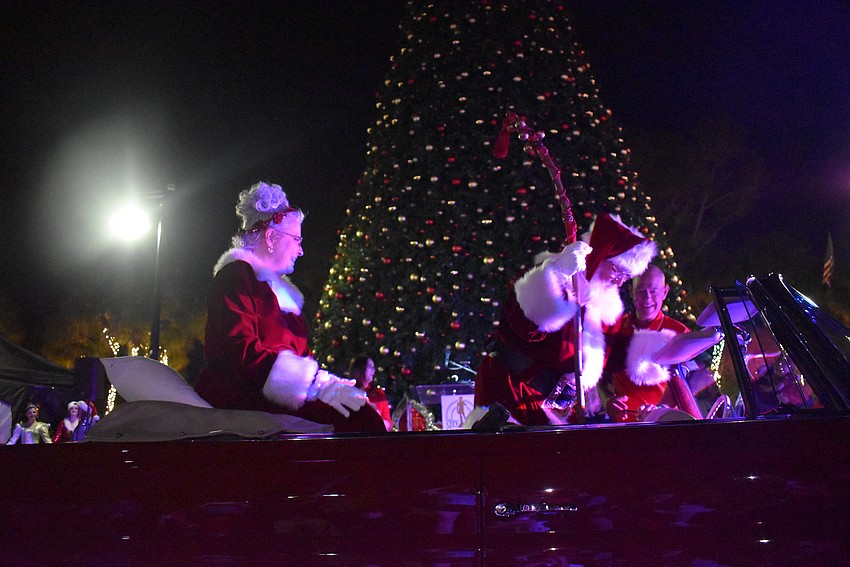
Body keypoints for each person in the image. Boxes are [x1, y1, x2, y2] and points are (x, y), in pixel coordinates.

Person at [194, 181, 385, 433]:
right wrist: (313, 386)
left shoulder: (285, 297)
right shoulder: (237, 276)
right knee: (358, 422)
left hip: (272, 398)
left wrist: (329, 385)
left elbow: (303, 357)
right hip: (241, 396)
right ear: (271, 237)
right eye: (296, 238)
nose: (301, 249)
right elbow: (237, 351)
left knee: (362, 412)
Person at [474, 212, 657, 425]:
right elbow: (524, 324)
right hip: (512, 394)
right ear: (598, 255)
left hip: (555, 412)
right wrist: (556, 273)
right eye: (616, 270)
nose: (618, 282)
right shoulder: (553, 280)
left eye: (626, 277)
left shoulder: (604, 308)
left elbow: (614, 353)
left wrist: (659, 349)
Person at [597, 265, 690, 422]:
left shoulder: (679, 332)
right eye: (641, 291)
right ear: (631, 291)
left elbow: (688, 384)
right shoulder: (616, 328)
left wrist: (659, 410)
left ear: (665, 292)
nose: (647, 298)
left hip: (664, 425)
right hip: (624, 425)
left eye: (653, 291)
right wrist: (607, 401)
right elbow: (600, 375)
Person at [348, 355, 392, 431]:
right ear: (359, 369)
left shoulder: (379, 394)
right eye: (370, 367)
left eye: (373, 367)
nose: (373, 370)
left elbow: (388, 421)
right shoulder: (346, 392)